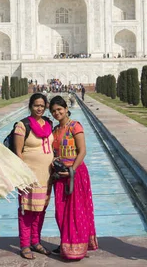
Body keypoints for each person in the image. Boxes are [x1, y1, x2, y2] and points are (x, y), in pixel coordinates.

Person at [49, 95, 98, 260]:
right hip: (61, 175)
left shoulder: (75, 127)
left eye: (59, 109)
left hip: (75, 174)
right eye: (54, 111)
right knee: (61, 211)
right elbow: (55, 153)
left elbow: (82, 150)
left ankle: (78, 246)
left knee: (76, 211)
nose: (57, 113)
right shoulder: (55, 130)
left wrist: (71, 170)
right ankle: (66, 242)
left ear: (66, 109)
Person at [14, 93, 54, 260]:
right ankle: (24, 244)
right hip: (29, 177)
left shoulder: (49, 124)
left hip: (46, 176)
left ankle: (35, 241)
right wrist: (23, 175)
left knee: (40, 211)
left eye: (42, 105)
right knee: (26, 211)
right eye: (36, 105)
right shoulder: (22, 126)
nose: (39, 108)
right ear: (30, 106)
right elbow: (17, 153)